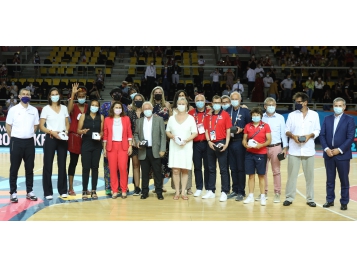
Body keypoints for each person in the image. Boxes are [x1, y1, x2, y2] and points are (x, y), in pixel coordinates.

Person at [284, 92, 320, 207]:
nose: (297, 104)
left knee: (310, 177)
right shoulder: (291, 115)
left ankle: (310, 199)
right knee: (291, 176)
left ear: (305, 102)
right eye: (296, 102)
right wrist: (293, 136)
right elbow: (286, 130)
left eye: (299, 102)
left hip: (308, 150)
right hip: (294, 150)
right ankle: (289, 197)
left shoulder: (314, 115)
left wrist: (309, 136)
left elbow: (317, 130)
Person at [319, 97, 356, 211]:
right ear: (333, 106)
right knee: (330, 180)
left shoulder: (349, 120)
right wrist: (326, 149)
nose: (338, 107)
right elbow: (322, 135)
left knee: (344, 180)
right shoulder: (327, 119)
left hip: (342, 155)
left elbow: (350, 138)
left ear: (344, 107)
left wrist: (339, 150)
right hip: (328, 154)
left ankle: (344, 202)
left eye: (340, 106)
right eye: (336, 105)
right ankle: (329, 200)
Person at [5, 88, 39, 203]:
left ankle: (30, 191)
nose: (25, 96)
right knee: (14, 168)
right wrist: (14, 137)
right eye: (23, 94)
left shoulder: (34, 110)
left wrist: (28, 134)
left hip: (29, 142)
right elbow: (8, 126)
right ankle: (13, 193)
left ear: (30, 96)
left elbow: (36, 126)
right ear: (19, 96)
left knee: (30, 168)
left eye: (28, 94)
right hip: (16, 142)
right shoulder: (13, 110)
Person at [39, 87, 70, 200]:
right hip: (51, 137)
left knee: (62, 164)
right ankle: (48, 191)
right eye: (53, 94)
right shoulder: (46, 109)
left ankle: (63, 190)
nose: (55, 96)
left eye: (57, 94)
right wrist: (51, 132)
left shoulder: (64, 108)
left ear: (59, 96)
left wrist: (65, 131)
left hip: (62, 138)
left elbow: (67, 123)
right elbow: (41, 126)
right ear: (49, 96)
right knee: (48, 165)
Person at [166, 97, 198, 200]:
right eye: (179, 103)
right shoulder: (171, 118)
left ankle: (183, 192)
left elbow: (195, 132)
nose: (181, 105)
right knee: (175, 170)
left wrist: (187, 140)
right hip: (175, 146)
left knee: (185, 170)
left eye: (183, 104)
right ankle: (177, 191)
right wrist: (172, 137)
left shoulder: (191, 118)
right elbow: (168, 131)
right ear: (176, 105)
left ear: (186, 105)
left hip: (186, 146)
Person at [134, 101, 167, 200]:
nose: (147, 110)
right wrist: (137, 142)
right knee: (144, 173)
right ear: (143, 110)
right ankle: (144, 192)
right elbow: (135, 134)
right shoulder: (139, 121)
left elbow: (163, 135)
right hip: (143, 150)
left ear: (152, 109)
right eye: (145, 109)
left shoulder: (159, 119)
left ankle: (159, 192)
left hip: (156, 150)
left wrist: (162, 149)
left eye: (149, 108)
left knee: (157, 172)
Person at [258, 97, 288, 203]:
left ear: (276, 106)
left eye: (273, 105)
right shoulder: (261, 117)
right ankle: (263, 192)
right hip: (262, 147)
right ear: (265, 106)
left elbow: (283, 134)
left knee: (276, 171)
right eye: (269, 105)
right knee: (263, 171)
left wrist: (285, 148)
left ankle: (277, 193)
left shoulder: (280, 118)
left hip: (276, 146)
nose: (271, 107)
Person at [203, 95, 232, 202]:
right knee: (211, 168)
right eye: (214, 102)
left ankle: (224, 191)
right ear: (211, 103)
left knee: (223, 169)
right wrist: (208, 141)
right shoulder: (208, 115)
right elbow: (206, 130)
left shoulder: (225, 115)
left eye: (218, 102)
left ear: (221, 103)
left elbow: (228, 131)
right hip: (210, 144)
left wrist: (226, 144)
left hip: (221, 143)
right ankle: (210, 190)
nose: (216, 104)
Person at [100, 87, 128, 195]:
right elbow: (102, 121)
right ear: (111, 94)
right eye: (115, 93)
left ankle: (122, 187)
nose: (117, 95)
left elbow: (126, 124)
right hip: (109, 140)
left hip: (122, 142)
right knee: (109, 167)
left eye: (119, 93)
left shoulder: (124, 107)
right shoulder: (105, 106)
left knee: (122, 166)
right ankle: (110, 187)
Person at [242, 107, 272, 206]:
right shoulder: (247, 126)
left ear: (260, 116)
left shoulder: (266, 126)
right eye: (254, 115)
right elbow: (244, 139)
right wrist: (245, 144)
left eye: (257, 115)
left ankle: (263, 196)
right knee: (250, 175)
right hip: (249, 153)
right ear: (251, 116)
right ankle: (250, 196)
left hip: (261, 153)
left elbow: (269, 140)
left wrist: (261, 145)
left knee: (261, 175)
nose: (255, 117)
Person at [103, 101, 133, 199]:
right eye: (116, 107)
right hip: (111, 147)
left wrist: (130, 146)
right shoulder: (107, 120)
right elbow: (106, 135)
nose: (118, 109)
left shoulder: (126, 119)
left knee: (123, 168)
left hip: (123, 146)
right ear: (112, 108)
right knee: (112, 169)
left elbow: (129, 133)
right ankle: (114, 190)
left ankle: (124, 189)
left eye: (120, 107)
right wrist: (104, 148)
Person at [225, 92, 251, 201]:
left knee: (240, 168)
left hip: (240, 142)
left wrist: (243, 130)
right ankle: (234, 189)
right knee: (233, 168)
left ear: (240, 100)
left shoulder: (245, 111)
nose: (234, 100)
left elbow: (250, 127)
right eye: (233, 99)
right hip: (229, 141)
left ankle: (241, 191)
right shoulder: (226, 111)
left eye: (236, 99)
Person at [77, 99, 104, 200]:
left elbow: (102, 132)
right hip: (86, 144)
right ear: (89, 106)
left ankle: (94, 190)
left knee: (95, 168)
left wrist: (100, 135)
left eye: (96, 105)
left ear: (98, 107)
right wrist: (82, 131)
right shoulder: (83, 116)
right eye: (93, 105)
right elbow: (78, 130)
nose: (94, 107)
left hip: (97, 145)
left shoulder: (101, 117)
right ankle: (84, 190)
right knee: (86, 168)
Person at [67, 84, 88, 196]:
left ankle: (85, 187)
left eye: (83, 96)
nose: (81, 97)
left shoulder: (88, 107)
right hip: (74, 137)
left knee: (85, 164)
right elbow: (68, 110)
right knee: (73, 163)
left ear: (85, 96)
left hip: (85, 138)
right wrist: (73, 95)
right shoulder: (73, 106)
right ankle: (70, 187)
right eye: (79, 96)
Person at [188, 94, 211, 197]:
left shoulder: (210, 112)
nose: (200, 102)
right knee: (197, 167)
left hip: (207, 142)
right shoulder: (191, 113)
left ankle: (208, 187)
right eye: (198, 100)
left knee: (207, 166)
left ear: (205, 101)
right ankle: (199, 187)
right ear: (195, 101)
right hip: (195, 143)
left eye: (202, 100)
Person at [149, 86, 171, 191]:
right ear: (153, 94)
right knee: (154, 160)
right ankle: (155, 185)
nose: (157, 94)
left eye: (159, 92)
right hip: (152, 135)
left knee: (163, 161)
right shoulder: (149, 105)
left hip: (165, 135)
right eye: (156, 92)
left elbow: (170, 119)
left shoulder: (166, 105)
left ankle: (161, 185)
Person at [127, 93, 145, 195]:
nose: (138, 101)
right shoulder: (130, 113)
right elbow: (128, 128)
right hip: (133, 142)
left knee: (145, 166)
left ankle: (145, 187)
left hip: (145, 142)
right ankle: (137, 187)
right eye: (136, 99)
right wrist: (131, 139)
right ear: (133, 101)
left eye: (140, 99)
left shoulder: (146, 112)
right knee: (135, 165)